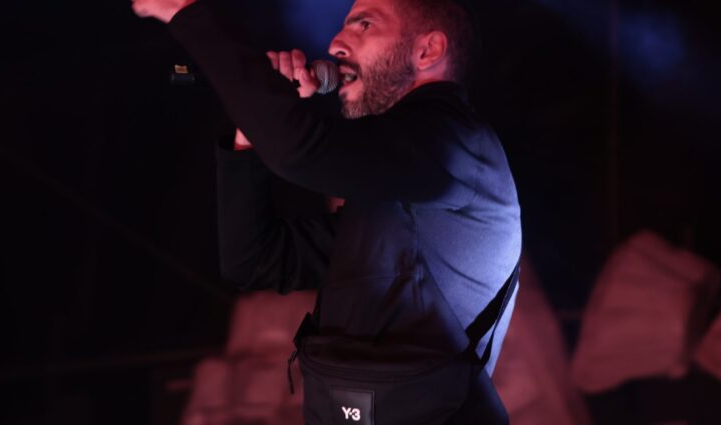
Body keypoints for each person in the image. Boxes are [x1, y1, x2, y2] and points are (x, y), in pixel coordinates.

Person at [133, 0, 522, 422]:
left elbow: (301, 150)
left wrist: (189, 13)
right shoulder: (398, 208)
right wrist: (249, 132)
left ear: (427, 51)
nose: (336, 43)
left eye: (364, 24)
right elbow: (256, 260)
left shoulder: (459, 143)